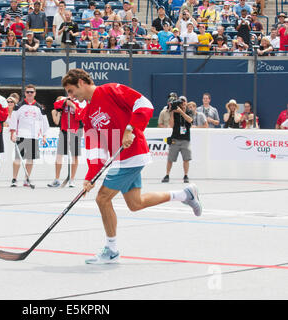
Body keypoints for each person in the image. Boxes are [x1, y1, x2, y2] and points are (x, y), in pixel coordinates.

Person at [61, 69, 202, 264]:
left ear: (81, 82)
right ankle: (185, 194)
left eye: (70, 90)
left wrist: (130, 129)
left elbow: (144, 104)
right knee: (135, 204)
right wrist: (89, 177)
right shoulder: (86, 113)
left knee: (102, 199)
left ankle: (111, 250)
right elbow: (95, 147)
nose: (71, 96)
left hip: (133, 153)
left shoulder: (110, 90)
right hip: (121, 159)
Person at [9, 84, 49, 188]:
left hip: (34, 136)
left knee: (30, 159)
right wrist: (13, 133)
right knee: (18, 158)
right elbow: (13, 119)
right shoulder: (19, 105)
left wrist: (44, 136)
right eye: (28, 92)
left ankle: (26, 179)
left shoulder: (39, 107)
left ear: (35, 93)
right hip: (21, 135)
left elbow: (44, 122)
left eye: (32, 92)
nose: (30, 94)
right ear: (25, 93)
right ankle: (14, 179)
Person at [48, 96, 83, 188]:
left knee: (74, 156)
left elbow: (80, 116)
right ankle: (57, 179)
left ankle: (72, 179)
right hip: (64, 131)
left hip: (75, 132)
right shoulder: (64, 101)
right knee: (59, 155)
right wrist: (66, 102)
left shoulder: (79, 102)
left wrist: (73, 106)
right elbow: (56, 105)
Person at [161, 95, 193, 184]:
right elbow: (171, 125)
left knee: (186, 159)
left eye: (184, 102)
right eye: (181, 102)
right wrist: (172, 112)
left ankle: (186, 175)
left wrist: (181, 112)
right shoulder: (175, 112)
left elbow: (190, 120)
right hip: (175, 137)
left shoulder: (189, 111)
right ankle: (167, 175)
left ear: (186, 103)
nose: (182, 104)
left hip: (185, 139)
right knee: (170, 158)